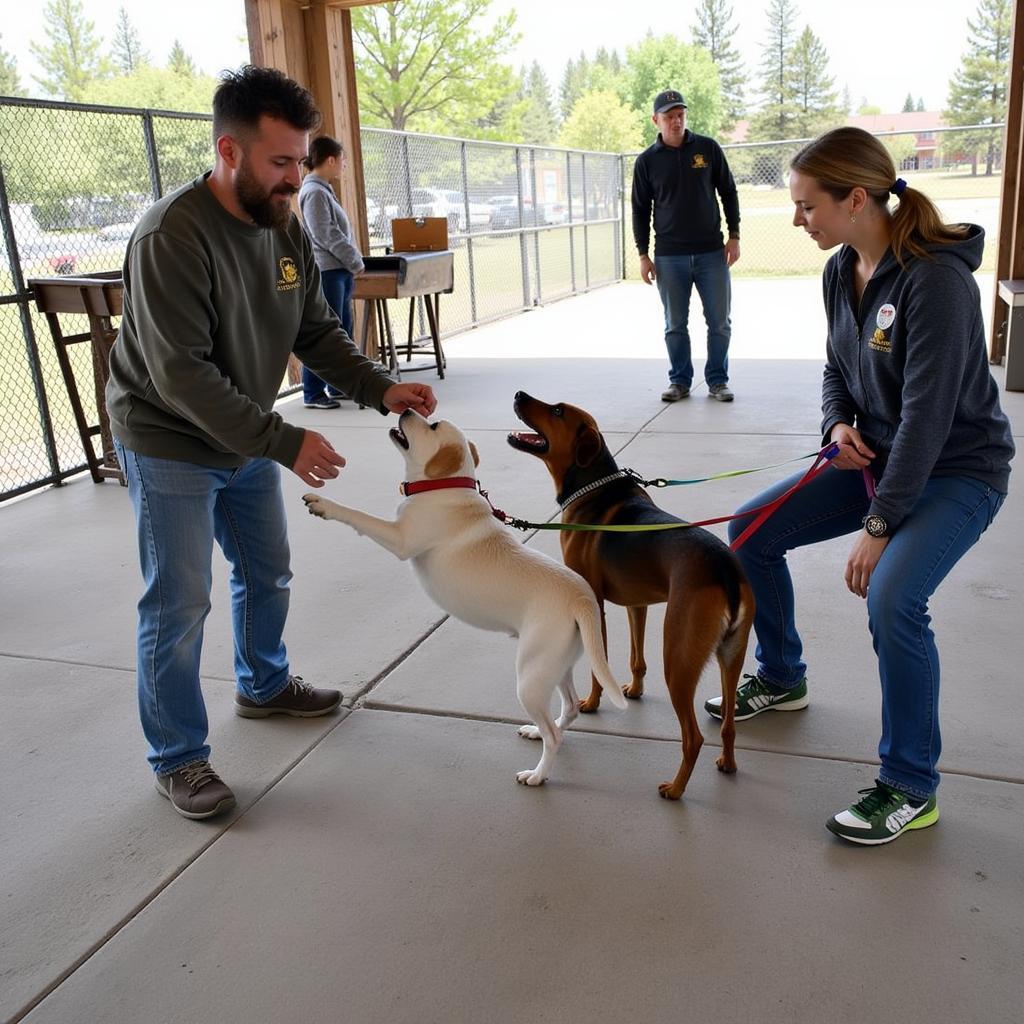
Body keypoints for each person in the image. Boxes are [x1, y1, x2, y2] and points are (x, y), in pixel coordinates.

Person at [106, 65, 437, 820]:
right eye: (280, 163)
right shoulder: (172, 235)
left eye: (299, 161)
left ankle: (262, 683)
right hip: (168, 441)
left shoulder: (281, 221)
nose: (296, 179)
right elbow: (180, 375)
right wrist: (282, 440)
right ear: (230, 152)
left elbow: (313, 329)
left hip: (241, 433)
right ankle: (180, 759)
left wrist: (379, 386)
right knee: (179, 602)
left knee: (268, 572)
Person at [705, 127, 1014, 845]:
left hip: (956, 471)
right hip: (872, 457)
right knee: (750, 530)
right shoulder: (838, 267)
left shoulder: (935, 282)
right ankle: (781, 676)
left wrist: (879, 528)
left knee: (893, 598)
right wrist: (837, 425)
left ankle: (910, 784)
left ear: (855, 198)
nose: (796, 220)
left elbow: (931, 420)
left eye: (807, 206)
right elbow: (836, 369)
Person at [631, 88, 741, 404]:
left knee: (719, 322)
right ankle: (679, 381)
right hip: (669, 257)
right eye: (669, 116)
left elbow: (729, 192)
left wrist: (734, 235)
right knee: (674, 324)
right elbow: (640, 209)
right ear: (656, 120)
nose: (676, 121)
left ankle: (718, 381)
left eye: (680, 115)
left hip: (711, 253)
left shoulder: (707, 149)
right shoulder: (647, 162)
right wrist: (643, 254)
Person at [298, 134, 365, 409]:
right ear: (330, 160)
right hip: (328, 271)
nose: (343, 166)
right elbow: (326, 234)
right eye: (342, 161)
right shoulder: (313, 192)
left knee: (342, 330)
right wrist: (355, 260)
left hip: (339, 270)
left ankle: (336, 385)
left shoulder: (323, 189)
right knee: (325, 332)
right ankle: (312, 392)